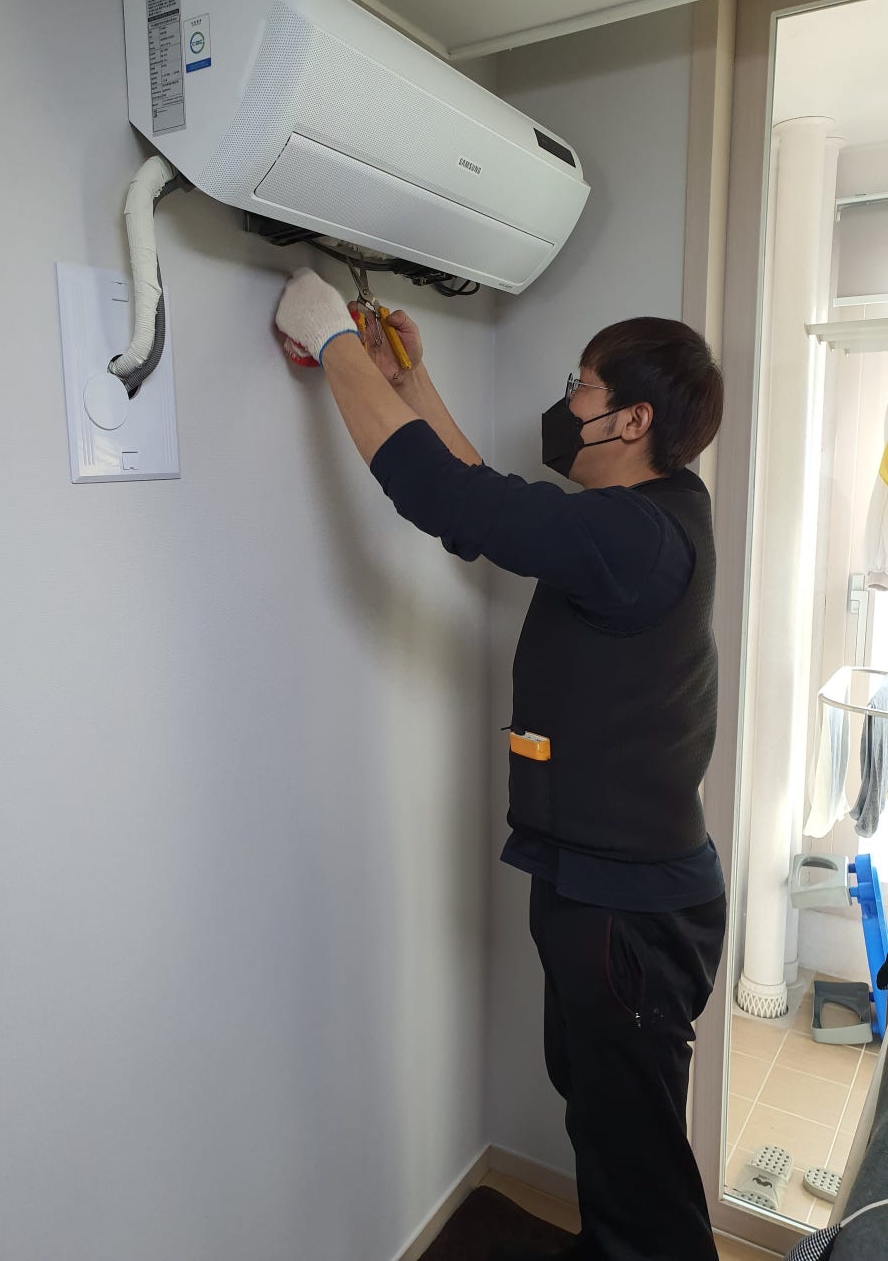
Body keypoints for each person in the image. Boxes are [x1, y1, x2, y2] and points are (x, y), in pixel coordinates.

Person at [275, 267, 727, 1261]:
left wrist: (331, 337)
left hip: (629, 914)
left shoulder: (635, 538)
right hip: (605, 891)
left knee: (640, 1172)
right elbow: (486, 498)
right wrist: (409, 382)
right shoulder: (648, 516)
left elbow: (450, 497)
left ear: (632, 420)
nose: (566, 402)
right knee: (604, 1123)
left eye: (583, 386)